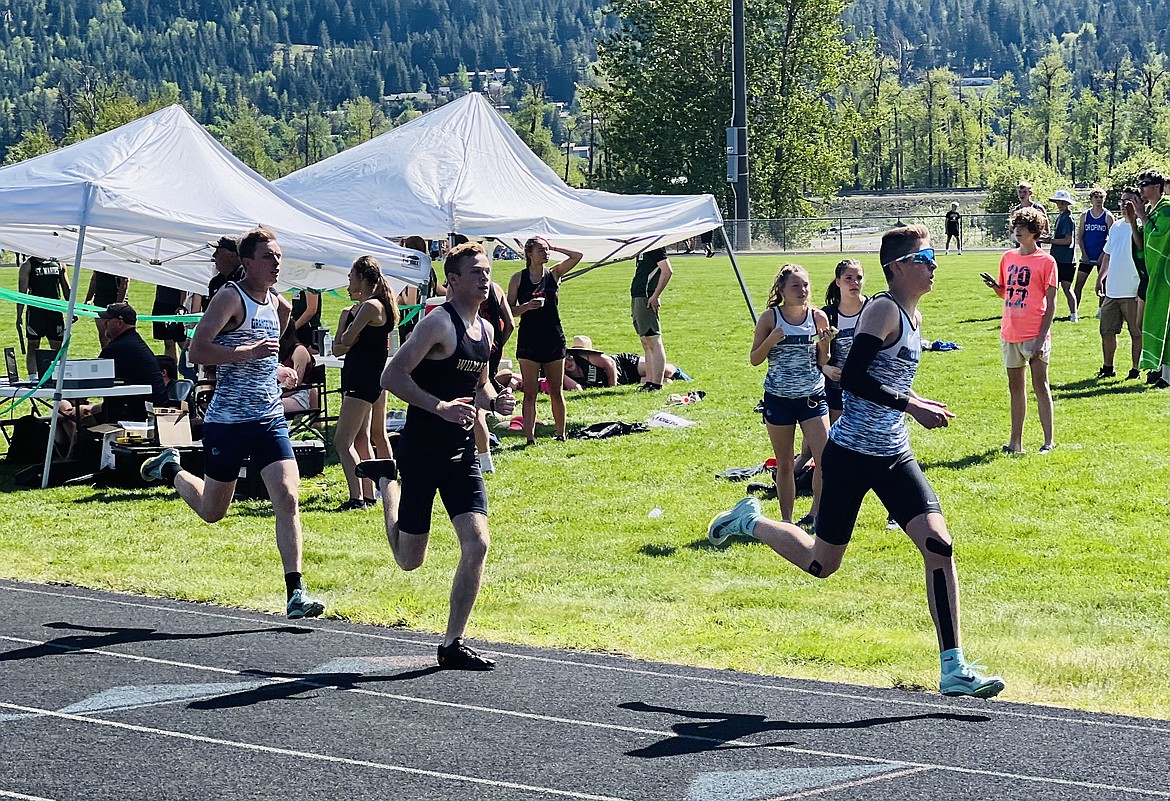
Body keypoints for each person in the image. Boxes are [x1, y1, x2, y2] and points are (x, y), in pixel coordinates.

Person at [707, 225, 1005, 699]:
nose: (934, 264)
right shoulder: (884, 309)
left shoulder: (913, 315)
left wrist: (915, 400)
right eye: (925, 256)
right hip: (849, 455)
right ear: (899, 266)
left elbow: (887, 381)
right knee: (822, 565)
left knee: (939, 545)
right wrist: (912, 405)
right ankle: (751, 522)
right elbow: (854, 380)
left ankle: (953, 667)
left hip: (893, 454)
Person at [139, 226, 325, 620]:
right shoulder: (230, 297)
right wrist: (248, 352)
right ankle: (169, 467)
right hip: (228, 420)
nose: (276, 263)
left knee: (288, 498)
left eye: (278, 256)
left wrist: (279, 371)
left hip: (269, 418)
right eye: (268, 257)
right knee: (213, 511)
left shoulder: (280, 305)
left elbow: (266, 357)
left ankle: (296, 591)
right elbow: (198, 348)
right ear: (247, 262)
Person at [356, 242, 516, 670]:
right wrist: (440, 407)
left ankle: (451, 644)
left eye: (488, 271)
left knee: (478, 543)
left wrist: (495, 401)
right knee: (410, 561)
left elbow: (479, 385)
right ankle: (387, 483)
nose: (486, 278)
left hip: (460, 453)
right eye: (477, 272)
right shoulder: (437, 324)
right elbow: (392, 376)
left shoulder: (486, 329)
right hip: (422, 450)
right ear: (454, 280)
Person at [749, 264, 830, 528]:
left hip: (812, 397)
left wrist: (826, 343)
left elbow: (823, 360)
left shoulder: (818, 318)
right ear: (782, 290)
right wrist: (771, 340)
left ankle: (817, 515)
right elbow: (755, 359)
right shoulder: (770, 318)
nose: (802, 290)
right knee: (785, 463)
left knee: (824, 460)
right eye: (795, 286)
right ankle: (786, 521)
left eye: (805, 285)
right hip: (779, 399)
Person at [981, 206, 1057, 454]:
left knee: (1040, 385)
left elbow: (1051, 302)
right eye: (1015, 227)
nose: (1018, 231)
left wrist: (1042, 337)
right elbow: (1006, 292)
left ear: (1035, 232)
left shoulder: (1047, 262)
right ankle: (1016, 443)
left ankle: (1048, 441)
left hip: (1034, 332)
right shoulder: (1008, 257)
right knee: (1015, 389)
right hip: (1010, 331)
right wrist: (996, 286)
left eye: (1022, 228)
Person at [332, 255, 397, 511]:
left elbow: (346, 339)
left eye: (350, 276)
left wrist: (348, 336)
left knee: (342, 441)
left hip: (364, 379)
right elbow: (339, 348)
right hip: (362, 377)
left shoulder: (372, 306)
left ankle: (356, 497)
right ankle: (369, 495)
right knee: (362, 438)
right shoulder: (354, 310)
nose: (348, 281)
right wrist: (347, 335)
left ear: (361, 277)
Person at [56, 302, 169, 443]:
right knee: (71, 412)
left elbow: (91, 379)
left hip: (132, 414)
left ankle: (71, 459)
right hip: (139, 408)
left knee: (77, 421)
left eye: (108, 320)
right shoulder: (133, 342)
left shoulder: (117, 348)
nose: (104, 324)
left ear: (119, 322)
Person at [507, 236, 581, 444]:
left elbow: (577, 256)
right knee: (529, 392)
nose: (546, 253)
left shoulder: (554, 273)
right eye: (541, 249)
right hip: (529, 340)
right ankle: (529, 438)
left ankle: (560, 434)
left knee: (556, 391)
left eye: (547, 250)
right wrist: (526, 307)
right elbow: (508, 309)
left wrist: (555, 246)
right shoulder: (518, 278)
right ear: (529, 254)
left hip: (553, 338)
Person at [1095, 187, 1144, 380]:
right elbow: (1108, 254)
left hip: (1133, 290)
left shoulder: (1141, 225)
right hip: (1112, 290)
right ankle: (1108, 368)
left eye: (1129, 201)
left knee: (1136, 333)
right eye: (1122, 201)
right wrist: (1100, 278)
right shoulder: (1115, 226)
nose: (1124, 205)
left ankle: (1135, 370)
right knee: (1107, 331)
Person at [472, 276, 514, 473]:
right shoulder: (496, 288)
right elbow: (510, 324)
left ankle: (485, 461)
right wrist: (499, 343)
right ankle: (484, 459)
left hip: (473, 346)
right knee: (481, 396)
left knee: (475, 406)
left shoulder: (462, 288)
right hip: (493, 349)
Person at [1135, 169, 1170, 388]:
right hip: (1154, 276)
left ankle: (1165, 375)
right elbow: (1143, 243)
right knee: (1155, 323)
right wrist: (1136, 219)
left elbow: (1160, 238)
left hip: (1165, 277)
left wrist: (1142, 217)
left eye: (1145, 184)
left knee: (1166, 324)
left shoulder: (1166, 209)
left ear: (1157, 187)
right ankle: (1161, 372)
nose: (1141, 189)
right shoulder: (1152, 210)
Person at [561, 336, 690, 390]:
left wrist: (613, 387)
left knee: (665, 371)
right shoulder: (566, 376)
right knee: (664, 381)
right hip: (625, 380)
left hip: (625, 365)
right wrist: (562, 374)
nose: (569, 362)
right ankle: (674, 379)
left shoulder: (586, 356)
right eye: (564, 361)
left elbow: (610, 363)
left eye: (570, 358)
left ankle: (679, 373)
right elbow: (577, 389)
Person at [15, 255, 70, 381]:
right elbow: (21, 293)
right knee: (33, 344)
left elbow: (67, 289)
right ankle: (33, 378)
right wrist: (19, 316)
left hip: (54, 312)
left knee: (57, 346)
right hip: (36, 312)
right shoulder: (28, 265)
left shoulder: (58, 263)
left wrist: (72, 311)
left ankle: (58, 376)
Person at [630, 246, 674, 391]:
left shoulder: (655, 247)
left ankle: (656, 383)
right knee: (645, 341)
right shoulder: (643, 247)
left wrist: (655, 295)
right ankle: (649, 381)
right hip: (638, 296)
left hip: (645, 296)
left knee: (652, 339)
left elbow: (667, 271)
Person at [1076, 188, 1113, 317]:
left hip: (1101, 257)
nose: (1098, 200)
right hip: (1087, 256)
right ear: (1091, 199)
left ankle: (1101, 311)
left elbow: (1111, 239)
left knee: (1103, 285)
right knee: (1078, 285)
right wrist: (1084, 254)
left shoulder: (1108, 216)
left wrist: (1103, 256)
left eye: (1101, 197)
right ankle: (1074, 311)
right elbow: (1080, 236)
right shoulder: (1085, 215)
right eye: (1096, 197)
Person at [1044, 189, 1078, 321]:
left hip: (1065, 260)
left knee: (1066, 288)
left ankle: (1074, 315)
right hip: (1059, 258)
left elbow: (1068, 240)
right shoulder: (1061, 217)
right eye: (1058, 202)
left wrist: (1050, 241)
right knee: (1054, 289)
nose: (1060, 204)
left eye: (1063, 202)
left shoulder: (1067, 218)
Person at [279, 323, 318, 417]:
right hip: (281, 393)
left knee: (265, 407)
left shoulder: (299, 351)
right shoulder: (281, 352)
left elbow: (296, 384)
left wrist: (275, 395)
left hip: (298, 396)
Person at [85, 271, 128, 348]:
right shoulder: (97, 262)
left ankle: (117, 356)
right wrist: (88, 299)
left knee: (116, 334)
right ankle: (106, 355)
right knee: (103, 334)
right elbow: (94, 278)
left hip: (115, 301)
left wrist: (118, 305)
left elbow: (124, 282)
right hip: (100, 301)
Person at [151, 283, 189, 364]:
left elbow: (184, 287)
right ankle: (172, 373)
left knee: (184, 343)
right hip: (161, 303)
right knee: (168, 343)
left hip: (176, 306)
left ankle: (195, 370)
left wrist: (182, 305)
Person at [290, 286, 322, 351]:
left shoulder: (310, 285)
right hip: (298, 327)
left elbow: (311, 310)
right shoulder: (297, 284)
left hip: (308, 328)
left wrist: (293, 328)